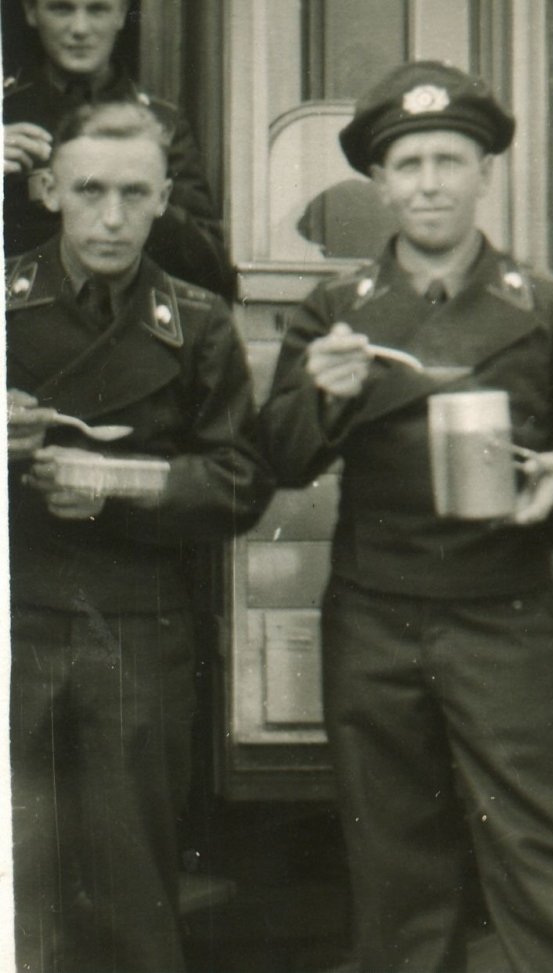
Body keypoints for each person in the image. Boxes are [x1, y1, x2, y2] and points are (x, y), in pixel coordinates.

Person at [259, 60, 553, 973]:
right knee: (393, 869)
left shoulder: (545, 303)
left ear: (484, 173)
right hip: (375, 616)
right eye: (409, 164)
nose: (429, 183)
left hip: (504, 612)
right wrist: (322, 392)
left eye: (449, 160)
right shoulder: (336, 311)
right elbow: (282, 458)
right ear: (379, 183)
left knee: (538, 854)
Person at [6, 99, 273, 972]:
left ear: (163, 201)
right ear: (50, 191)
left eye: (133, 194)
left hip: (136, 625)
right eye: (89, 191)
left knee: (132, 885)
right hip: (14, 619)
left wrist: (117, 483)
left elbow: (240, 482)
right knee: (16, 876)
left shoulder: (197, 322)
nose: (112, 217)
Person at [4, 0, 231, 296]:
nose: (80, 28)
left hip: (131, 314)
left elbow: (211, 266)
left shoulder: (161, 124)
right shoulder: (5, 114)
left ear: (121, 15)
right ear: (31, 12)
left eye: (97, 9)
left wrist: (142, 191)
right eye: (61, 9)